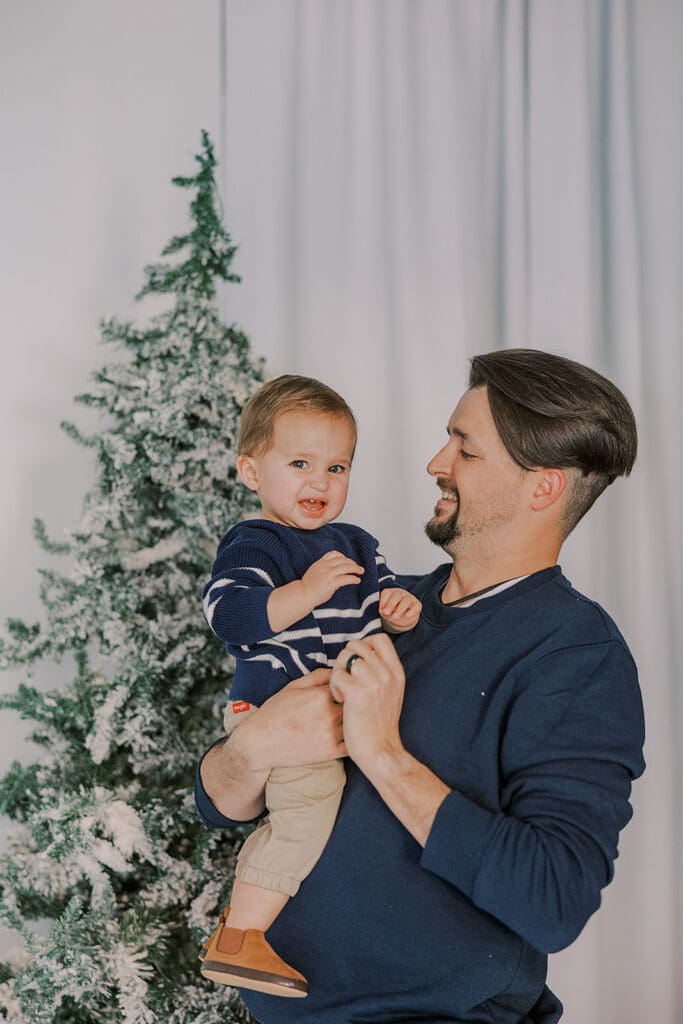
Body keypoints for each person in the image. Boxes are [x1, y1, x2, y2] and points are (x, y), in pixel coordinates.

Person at [195, 349, 645, 1024]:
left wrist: (383, 755)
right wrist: (250, 750)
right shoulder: (375, 606)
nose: (435, 463)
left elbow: (552, 899)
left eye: (464, 449)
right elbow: (217, 803)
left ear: (541, 487)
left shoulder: (574, 653)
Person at [198, 375, 422, 997]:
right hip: (273, 713)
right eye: (299, 463)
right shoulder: (254, 542)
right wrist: (305, 592)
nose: (319, 482)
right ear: (251, 471)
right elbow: (231, 616)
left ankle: (269, 929)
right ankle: (239, 938)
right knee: (308, 809)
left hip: (329, 719)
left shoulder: (356, 543)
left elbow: (379, 599)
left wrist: (398, 605)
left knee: (332, 814)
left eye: (336, 466)